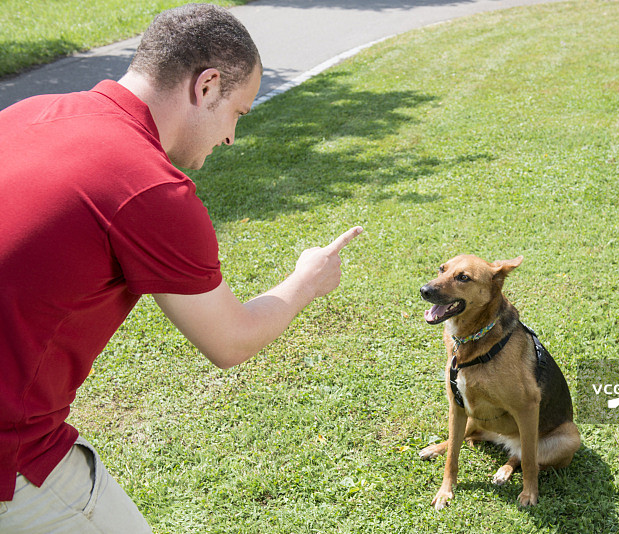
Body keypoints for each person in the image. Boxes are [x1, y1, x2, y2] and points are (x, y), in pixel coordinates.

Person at [0, 4, 362, 532]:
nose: (232, 137)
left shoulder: (25, 113)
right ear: (208, 85)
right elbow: (230, 341)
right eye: (238, 112)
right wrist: (307, 279)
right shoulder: (149, 188)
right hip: (13, 461)